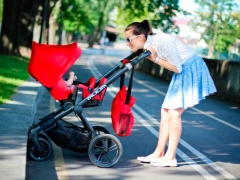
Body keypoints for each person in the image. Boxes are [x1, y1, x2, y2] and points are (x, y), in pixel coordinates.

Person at [124, 20, 216, 167]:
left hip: (190, 69)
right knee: (165, 111)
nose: (127, 43)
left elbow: (177, 67)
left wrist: (156, 59)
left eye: (128, 39)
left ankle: (171, 157)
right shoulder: (150, 44)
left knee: (174, 113)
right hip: (183, 72)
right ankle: (159, 153)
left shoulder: (161, 41)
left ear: (140, 36)